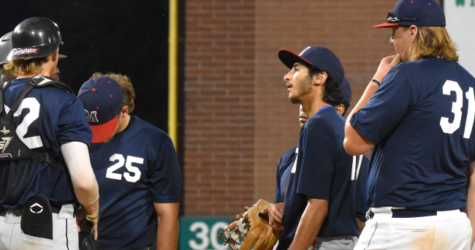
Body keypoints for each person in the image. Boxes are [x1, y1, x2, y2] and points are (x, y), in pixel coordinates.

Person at [344, 0, 475, 249]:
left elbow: (352, 141)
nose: (391, 41)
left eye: (395, 32)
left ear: (413, 32)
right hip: (455, 226)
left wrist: (376, 80)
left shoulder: (406, 74)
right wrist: (469, 236)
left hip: (402, 227)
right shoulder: (471, 84)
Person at [0, 17, 99, 249]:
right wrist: (92, 211)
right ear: (54, 54)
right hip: (46, 226)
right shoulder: (64, 101)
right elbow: (83, 180)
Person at [77, 73, 182, 250]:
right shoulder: (71, 138)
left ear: (123, 111)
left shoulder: (154, 142)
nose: (92, 132)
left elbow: (167, 214)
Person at [270, 45, 360, 250]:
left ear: (319, 78)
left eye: (296, 69)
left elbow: (318, 206)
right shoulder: (336, 125)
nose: (287, 76)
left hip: (326, 243)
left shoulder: (318, 125)